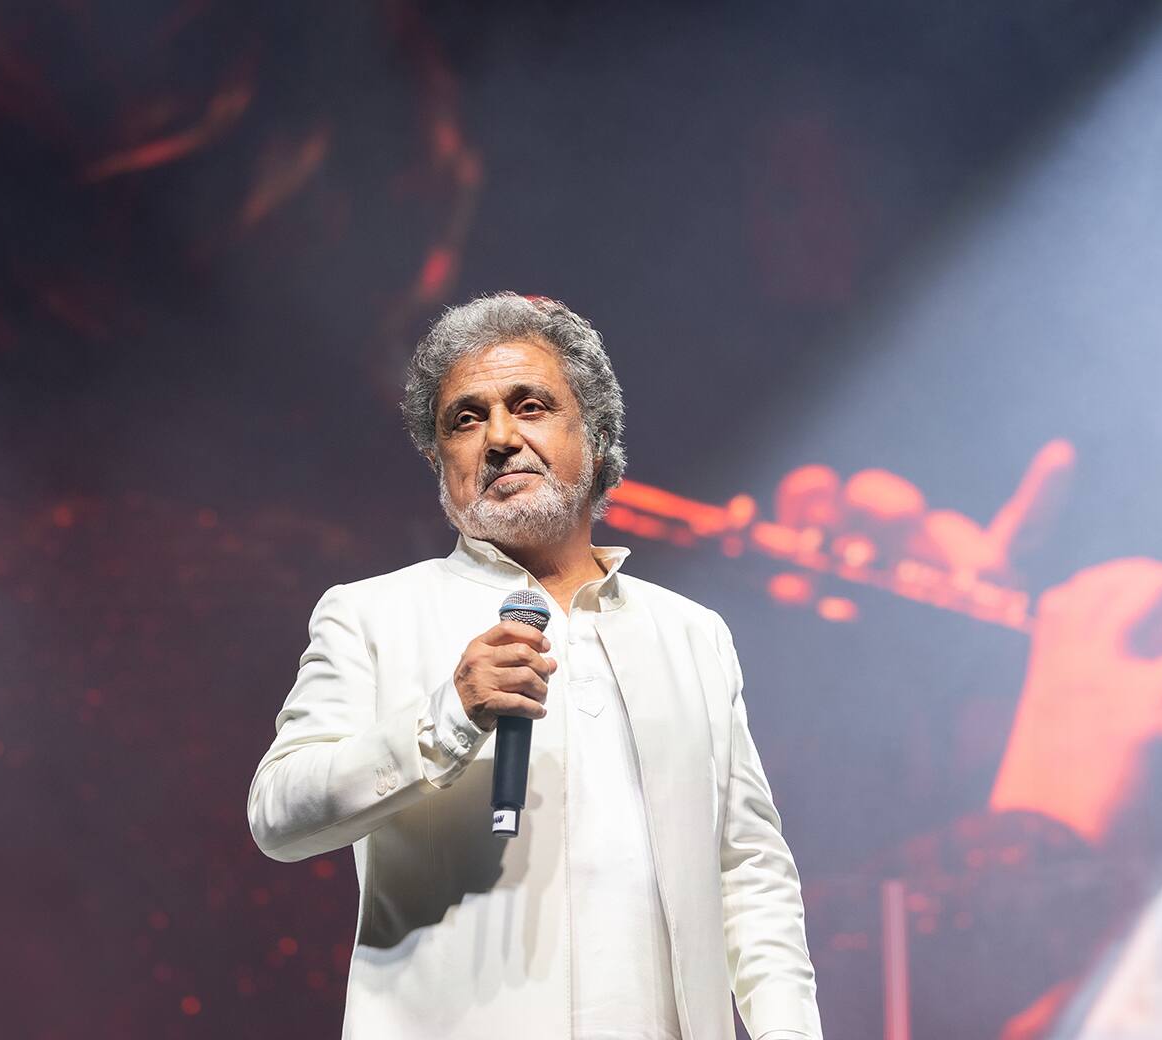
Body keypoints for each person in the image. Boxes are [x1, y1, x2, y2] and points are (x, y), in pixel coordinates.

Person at [247, 292, 821, 1039]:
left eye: (530, 406)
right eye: (465, 419)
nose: (498, 438)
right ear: (439, 462)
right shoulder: (371, 615)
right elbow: (279, 814)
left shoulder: (691, 634)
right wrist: (446, 718)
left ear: (597, 437)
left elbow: (748, 869)